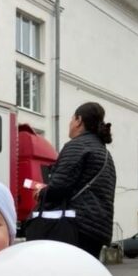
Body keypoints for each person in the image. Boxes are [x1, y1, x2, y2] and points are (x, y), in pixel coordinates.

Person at [35, 102, 116, 259]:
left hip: (75, 227)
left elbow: (59, 186)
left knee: (64, 271)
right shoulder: (105, 153)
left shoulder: (77, 145)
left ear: (79, 120)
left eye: (71, 119)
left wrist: (42, 192)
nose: (70, 123)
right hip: (97, 230)